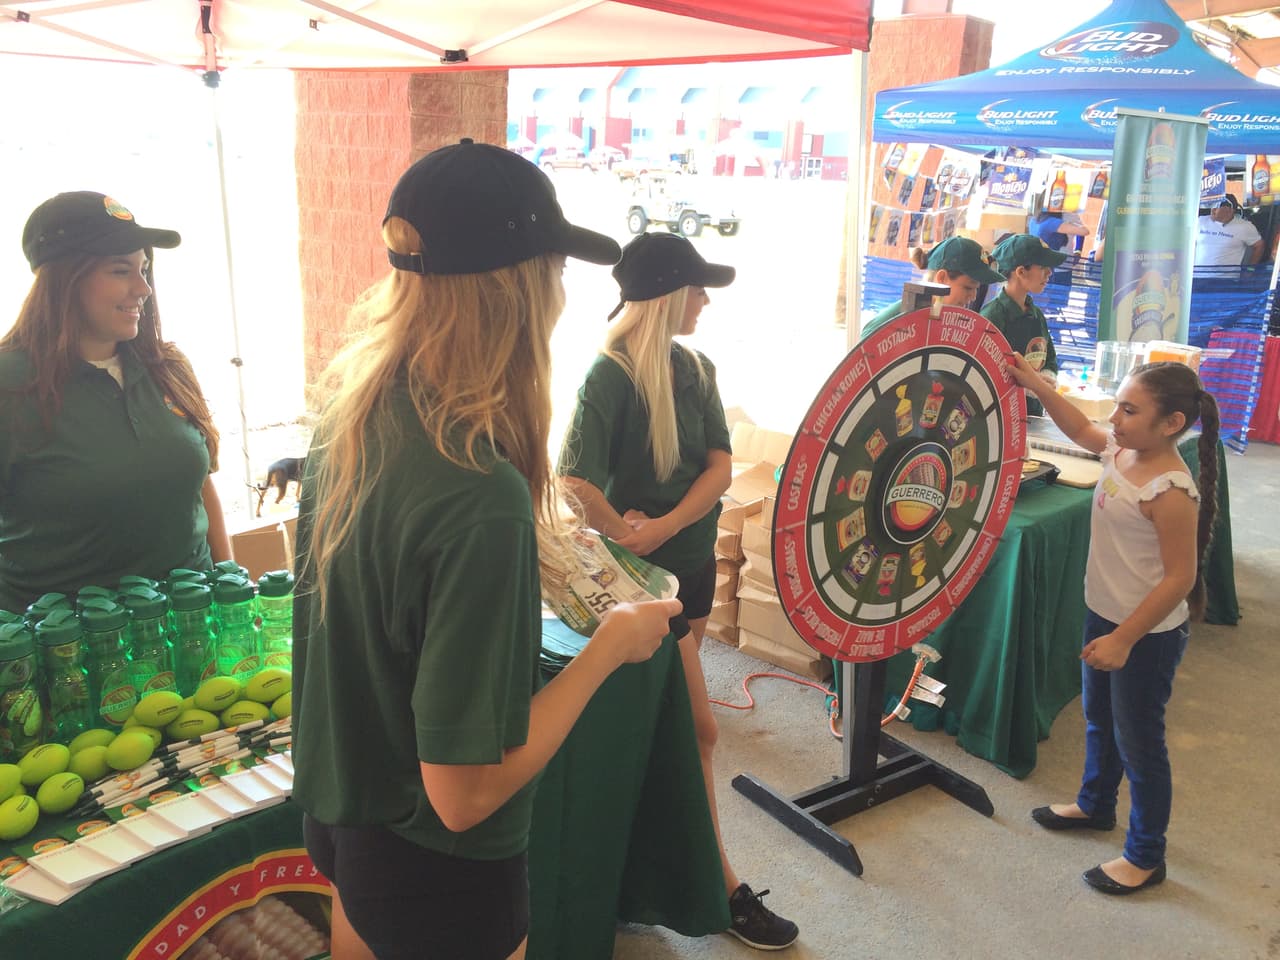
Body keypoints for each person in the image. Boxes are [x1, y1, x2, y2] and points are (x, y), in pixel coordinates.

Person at [291, 139, 680, 960]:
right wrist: (610, 646)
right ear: (520, 285)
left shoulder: (351, 415)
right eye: (557, 271)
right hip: (443, 872)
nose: (563, 296)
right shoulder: (478, 489)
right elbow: (464, 794)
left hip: (343, 817)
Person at [558, 232, 799, 951]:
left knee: (654, 732)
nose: (705, 301)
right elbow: (573, 479)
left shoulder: (696, 367)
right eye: (696, 289)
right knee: (699, 731)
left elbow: (722, 465)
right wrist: (629, 536)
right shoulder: (608, 377)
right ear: (665, 295)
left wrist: (663, 525)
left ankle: (633, 882)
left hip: (686, 567)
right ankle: (720, 889)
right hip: (637, 591)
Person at [1008, 355, 1220, 896]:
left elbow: (1179, 578)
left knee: (1140, 742)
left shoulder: (1170, 490)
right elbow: (1080, 426)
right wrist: (1035, 384)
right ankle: (1095, 804)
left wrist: (1125, 638)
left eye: (1128, 410)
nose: (1116, 418)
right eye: (1119, 407)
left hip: (1145, 636)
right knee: (1100, 718)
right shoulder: (1122, 450)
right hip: (1103, 612)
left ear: (1171, 424)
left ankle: (1147, 855)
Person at [0, 191, 229, 613]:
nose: (142, 288)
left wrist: (231, 588)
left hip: (192, 627)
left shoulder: (168, 365)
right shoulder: (10, 384)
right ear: (65, 280)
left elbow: (200, 485)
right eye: (121, 270)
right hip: (67, 651)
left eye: (144, 269)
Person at [982, 234, 1066, 417]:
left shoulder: (1037, 315)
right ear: (1020, 272)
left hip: (1033, 415)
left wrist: (1048, 378)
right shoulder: (993, 317)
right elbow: (984, 373)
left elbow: (1049, 358)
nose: (1049, 273)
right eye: (1043, 267)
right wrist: (1026, 385)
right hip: (1001, 418)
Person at [861, 236, 1004, 340]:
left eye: (976, 289)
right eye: (968, 288)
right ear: (941, 278)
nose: (973, 297)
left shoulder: (951, 326)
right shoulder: (886, 326)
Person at [1194, 195, 1263, 267]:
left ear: (1230, 210)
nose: (1212, 209)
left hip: (1227, 277)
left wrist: (1250, 269)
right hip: (1197, 275)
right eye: (1212, 206)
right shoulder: (1200, 221)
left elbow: (1259, 246)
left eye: (1217, 206)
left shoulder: (1245, 227)